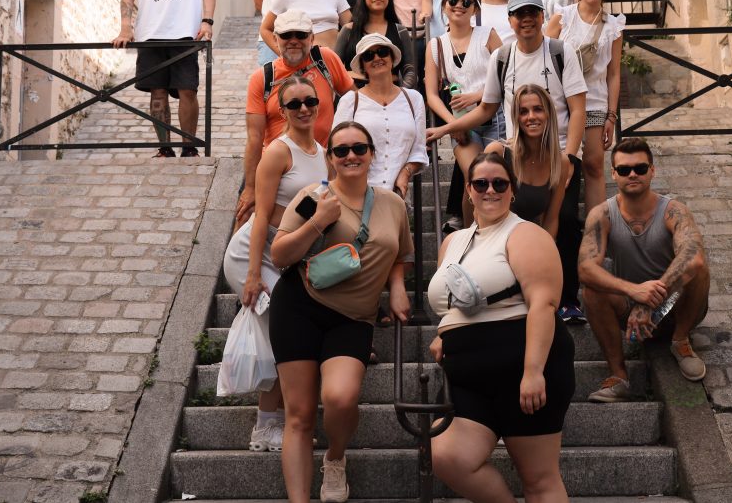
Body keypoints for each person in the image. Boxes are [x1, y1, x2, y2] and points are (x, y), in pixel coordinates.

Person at [270, 122, 412, 503]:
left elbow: (401, 255)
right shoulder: (311, 196)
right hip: (298, 306)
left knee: (341, 398)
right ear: (330, 158)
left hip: (354, 318)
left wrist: (396, 287)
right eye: (341, 150)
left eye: (359, 148)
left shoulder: (394, 204)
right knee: (299, 415)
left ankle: (334, 456)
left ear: (372, 154)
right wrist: (318, 220)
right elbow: (280, 255)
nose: (351, 155)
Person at [427, 0, 588, 322]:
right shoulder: (501, 57)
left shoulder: (560, 51)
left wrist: (570, 157)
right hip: (518, 151)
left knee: (568, 219)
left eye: (532, 12)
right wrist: (445, 130)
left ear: (542, 16)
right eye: (519, 14)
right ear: (510, 20)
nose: (526, 19)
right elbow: (487, 108)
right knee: (508, 217)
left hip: (558, 152)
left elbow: (577, 109)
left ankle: (567, 297)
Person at [427, 152, 573, 503]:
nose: (489, 190)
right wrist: (442, 332)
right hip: (466, 376)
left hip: (521, 369)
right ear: (468, 190)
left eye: (499, 183)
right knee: (446, 456)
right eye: (481, 183)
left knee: (538, 479)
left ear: (512, 191)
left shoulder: (525, 234)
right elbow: (454, 300)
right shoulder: (453, 241)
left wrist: (533, 371)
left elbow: (543, 303)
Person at [223, 76, 328, 452]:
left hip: (286, 257)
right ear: (281, 111)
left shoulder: (322, 152)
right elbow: (261, 215)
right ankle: (264, 428)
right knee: (278, 335)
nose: (303, 108)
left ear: (318, 104)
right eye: (294, 103)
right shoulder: (277, 152)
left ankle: (280, 423)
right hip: (253, 253)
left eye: (309, 101)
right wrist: (253, 274)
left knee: (287, 337)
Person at [579, 138, 710, 402]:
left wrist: (651, 301)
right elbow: (585, 269)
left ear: (652, 170)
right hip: (630, 311)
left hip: (675, 307)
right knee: (592, 290)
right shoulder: (602, 214)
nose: (633, 174)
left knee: (699, 269)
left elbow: (693, 257)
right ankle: (619, 376)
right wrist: (635, 292)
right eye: (624, 170)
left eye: (640, 168)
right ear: (614, 174)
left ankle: (680, 341)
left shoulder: (673, 211)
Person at [112, 0, 216, 158]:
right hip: (150, 34)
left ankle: (189, 147)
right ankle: (165, 148)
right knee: (157, 93)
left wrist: (207, 21)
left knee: (187, 90)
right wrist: (126, 28)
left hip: (185, 33)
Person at [236, 10, 354, 227]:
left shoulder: (325, 60)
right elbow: (254, 137)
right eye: (286, 35)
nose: (293, 41)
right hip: (278, 173)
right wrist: (250, 187)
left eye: (300, 35)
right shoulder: (262, 78)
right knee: (255, 225)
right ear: (274, 39)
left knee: (320, 231)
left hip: (321, 168)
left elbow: (354, 101)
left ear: (312, 38)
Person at [424, 0, 503, 227]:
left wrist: (477, 95)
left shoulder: (488, 35)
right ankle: (473, 237)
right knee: (475, 179)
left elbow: (507, 76)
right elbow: (432, 95)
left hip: (495, 117)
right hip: (459, 122)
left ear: (475, 9)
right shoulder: (436, 45)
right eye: (453, 0)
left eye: (467, 1)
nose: (459, 5)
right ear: (444, 6)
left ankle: (492, 234)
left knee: (495, 179)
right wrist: (453, 125)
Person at [547, 0, 625, 211]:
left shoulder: (613, 26)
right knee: (555, 163)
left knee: (593, 165)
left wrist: (611, 117)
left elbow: (613, 74)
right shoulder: (563, 18)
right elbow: (541, 57)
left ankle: (596, 229)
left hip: (594, 102)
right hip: (560, 102)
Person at [334, 34, 427, 197]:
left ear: (392, 58)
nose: (377, 57)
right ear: (363, 65)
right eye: (369, 56)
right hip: (356, 194)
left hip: (397, 196)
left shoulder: (414, 99)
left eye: (382, 52)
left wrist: (405, 173)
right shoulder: (350, 100)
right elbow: (336, 149)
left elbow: (419, 151)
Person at [484, 85, 568, 238]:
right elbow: (477, 210)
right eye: (523, 112)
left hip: (528, 243)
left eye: (538, 109)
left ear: (549, 114)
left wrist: (546, 252)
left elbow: (551, 219)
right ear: (516, 117)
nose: (531, 117)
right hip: (492, 240)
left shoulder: (560, 163)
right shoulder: (497, 153)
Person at [333, 0, 417, 88]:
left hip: (393, 98)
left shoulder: (400, 31)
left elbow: (410, 70)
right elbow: (334, 69)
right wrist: (355, 93)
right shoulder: (348, 31)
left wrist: (401, 94)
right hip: (356, 96)